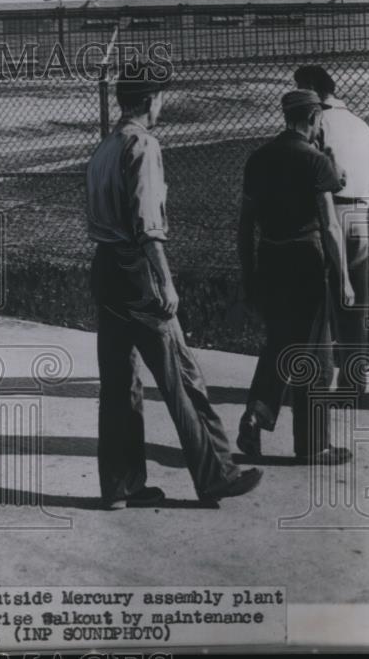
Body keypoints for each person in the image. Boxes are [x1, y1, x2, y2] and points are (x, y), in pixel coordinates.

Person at [85, 64, 262, 508]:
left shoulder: (104, 148)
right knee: (181, 376)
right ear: (148, 101)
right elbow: (148, 224)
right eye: (159, 98)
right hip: (137, 268)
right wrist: (165, 280)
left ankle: (120, 486)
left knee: (119, 382)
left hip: (105, 267)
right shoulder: (142, 145)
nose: (160, 105)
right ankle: (217, 474)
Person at [237, 89, 355, 465]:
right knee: (316, 352)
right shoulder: (315, 161)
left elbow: (244, 224)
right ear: (313, 119)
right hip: (306, 260)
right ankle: (312, 444)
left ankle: (256, 413)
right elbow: (330, 226)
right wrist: (344, 278)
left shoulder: (258, 159)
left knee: (279, 342)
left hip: (269, 258)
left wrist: (249, 273)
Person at [294, 65, 369, 398]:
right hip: (361, 214)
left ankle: (320, 376)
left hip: (330, 211)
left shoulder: (318, 124)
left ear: (313, 90)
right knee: (356, 303)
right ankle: (355, 380)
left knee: (321, 298)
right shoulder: (362, 125)